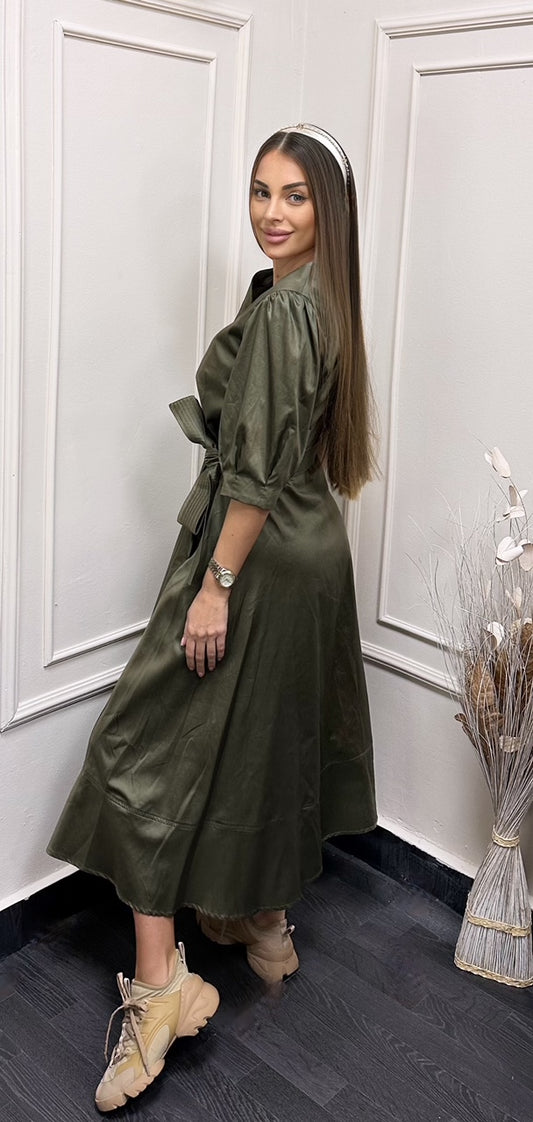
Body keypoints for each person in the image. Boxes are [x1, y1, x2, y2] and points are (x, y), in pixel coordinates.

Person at [47, 122, 378, 1112]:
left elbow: (256, 472)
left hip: (257, 557)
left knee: (139, 747)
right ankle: (261, 924)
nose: (270, 213)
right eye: (260, 191)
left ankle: (163, 992)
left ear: (328, 209)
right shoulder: (320, 297)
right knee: (261, 742)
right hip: (311, 553)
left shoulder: (285, 313)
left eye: (294, 196)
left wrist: (214, 585)